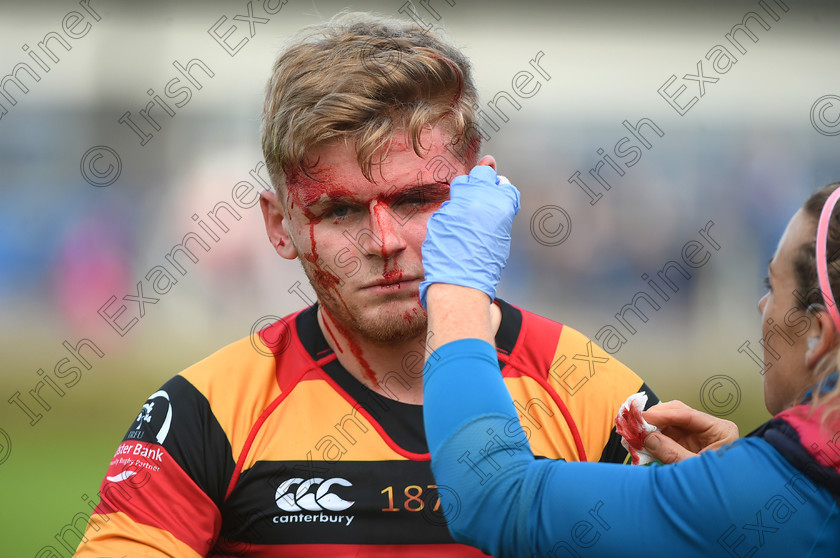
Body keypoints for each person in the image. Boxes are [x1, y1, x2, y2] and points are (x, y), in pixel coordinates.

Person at [74, 14, 658, 557]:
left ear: (481, 192)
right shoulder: (207, 413)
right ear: (281, 226)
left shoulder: (599, 399)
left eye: (416, 199)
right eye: (340, 211)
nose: (383, 241)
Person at [421, 166, 840, 557]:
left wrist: (457, 290)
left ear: (818, 334)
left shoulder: (788, 486)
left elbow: (492, 496)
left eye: (773, 284)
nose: (762, 304)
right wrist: (726, 485)